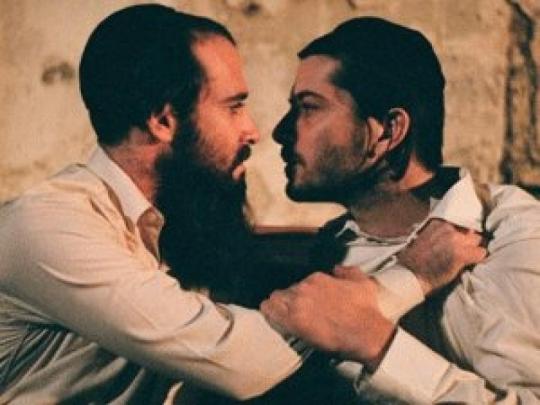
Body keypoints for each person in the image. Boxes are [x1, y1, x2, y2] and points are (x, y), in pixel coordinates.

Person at [0, 5, 484, 403]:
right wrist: (412, 274)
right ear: (163, 121)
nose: (253, 130)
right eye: (233, 107)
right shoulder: (47, 228)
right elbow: (243, 361)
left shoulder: (173, 221)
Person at [262, 16, 540, 404]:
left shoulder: (516, 236)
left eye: (308, 107)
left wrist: (378, 345)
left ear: (389, 131)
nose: (280, 130)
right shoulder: (329, 255)